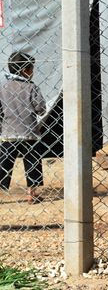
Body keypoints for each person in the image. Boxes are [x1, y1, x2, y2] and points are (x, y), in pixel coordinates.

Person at [0, 51, 46, 204]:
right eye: (31, 69)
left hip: (8, 133)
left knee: (4, 164)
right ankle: (31, 194)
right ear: (24, 70)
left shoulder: (3, 88)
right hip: (29, 133)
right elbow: (41, 109)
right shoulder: (32, 88)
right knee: (32, 162)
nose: (32, 72)